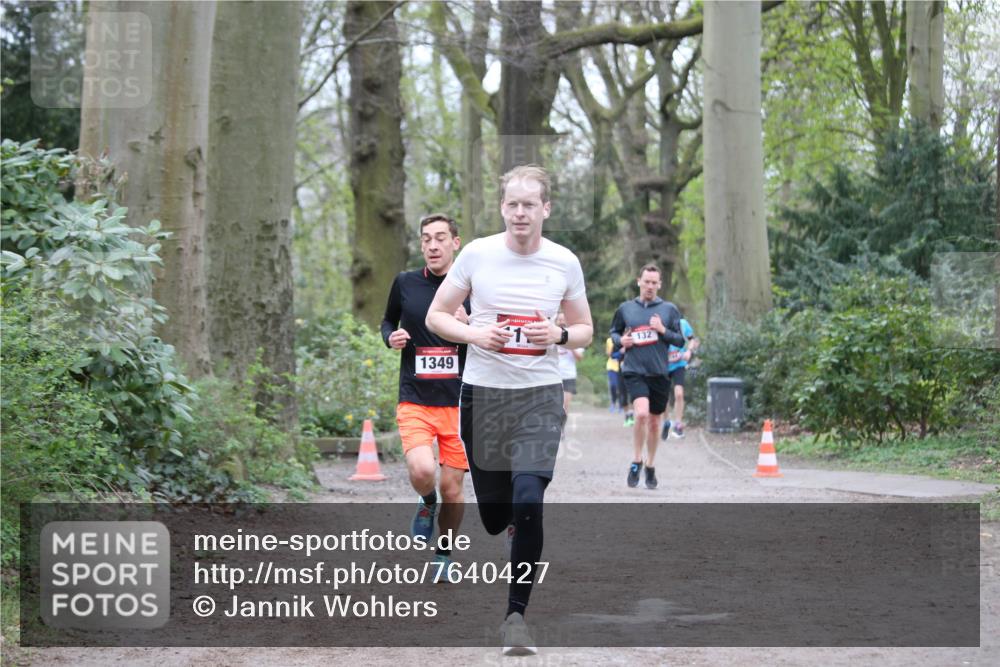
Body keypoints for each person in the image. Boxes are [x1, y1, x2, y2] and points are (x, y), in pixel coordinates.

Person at [426, 164, 592, 656]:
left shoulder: (564, 261)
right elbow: (437, 315)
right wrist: (476, 334)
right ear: (503, 208)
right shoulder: (477, 254)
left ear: (546, 209)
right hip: (484, 396)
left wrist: (559, 334)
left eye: (530, 204)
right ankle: (511, 525)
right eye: (513, 204)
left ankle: (515, 617)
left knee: (528, 497)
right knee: (497, 516)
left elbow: (585, 328)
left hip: (539, 395)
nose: (521, 212)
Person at [381, 213, 471, 571]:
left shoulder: (472, 287)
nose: (432, 245)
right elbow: (388, 320)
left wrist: (470, 324)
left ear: (455, 243)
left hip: (460, 402)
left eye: (440, 238)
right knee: (422, 471)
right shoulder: (405, 282)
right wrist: (390, 337)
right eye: (426, 239)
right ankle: (426, 501)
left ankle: (444, 554)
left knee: (453, 489)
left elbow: (491, 332)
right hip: (415, 397)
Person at [609, 264, 685, 490]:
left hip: (659, 373)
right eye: (646, 282)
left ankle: (650, 465)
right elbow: (614, 333)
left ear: (659, 284)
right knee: (641, 414)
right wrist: (621, 341)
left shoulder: (669, 310)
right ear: (638, 281)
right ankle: (636, 460)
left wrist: (662, 330)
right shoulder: (626, 309)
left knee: (653, 423)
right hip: (634, 370)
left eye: (654, 282)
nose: (650, 286)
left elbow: (680, 340)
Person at [662, 317, 699, 440]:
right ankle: (666, 422)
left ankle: (678, 425)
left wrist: (688, 351)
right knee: (663, 397)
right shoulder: (659, 323)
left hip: (679, 365)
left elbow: (692, 339)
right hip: (663, 365)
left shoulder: (682, 323)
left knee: (679, 394)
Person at [556, 312, 585, 415]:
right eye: (559, 319)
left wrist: (569, 344)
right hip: (553, 376)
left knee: (565, 405)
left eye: (563, 319)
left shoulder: (575, 337)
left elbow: (579, 358)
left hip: (568, 375)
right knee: (554, 405)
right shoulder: (550, 336)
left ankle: (562, 425)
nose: (561, 322)